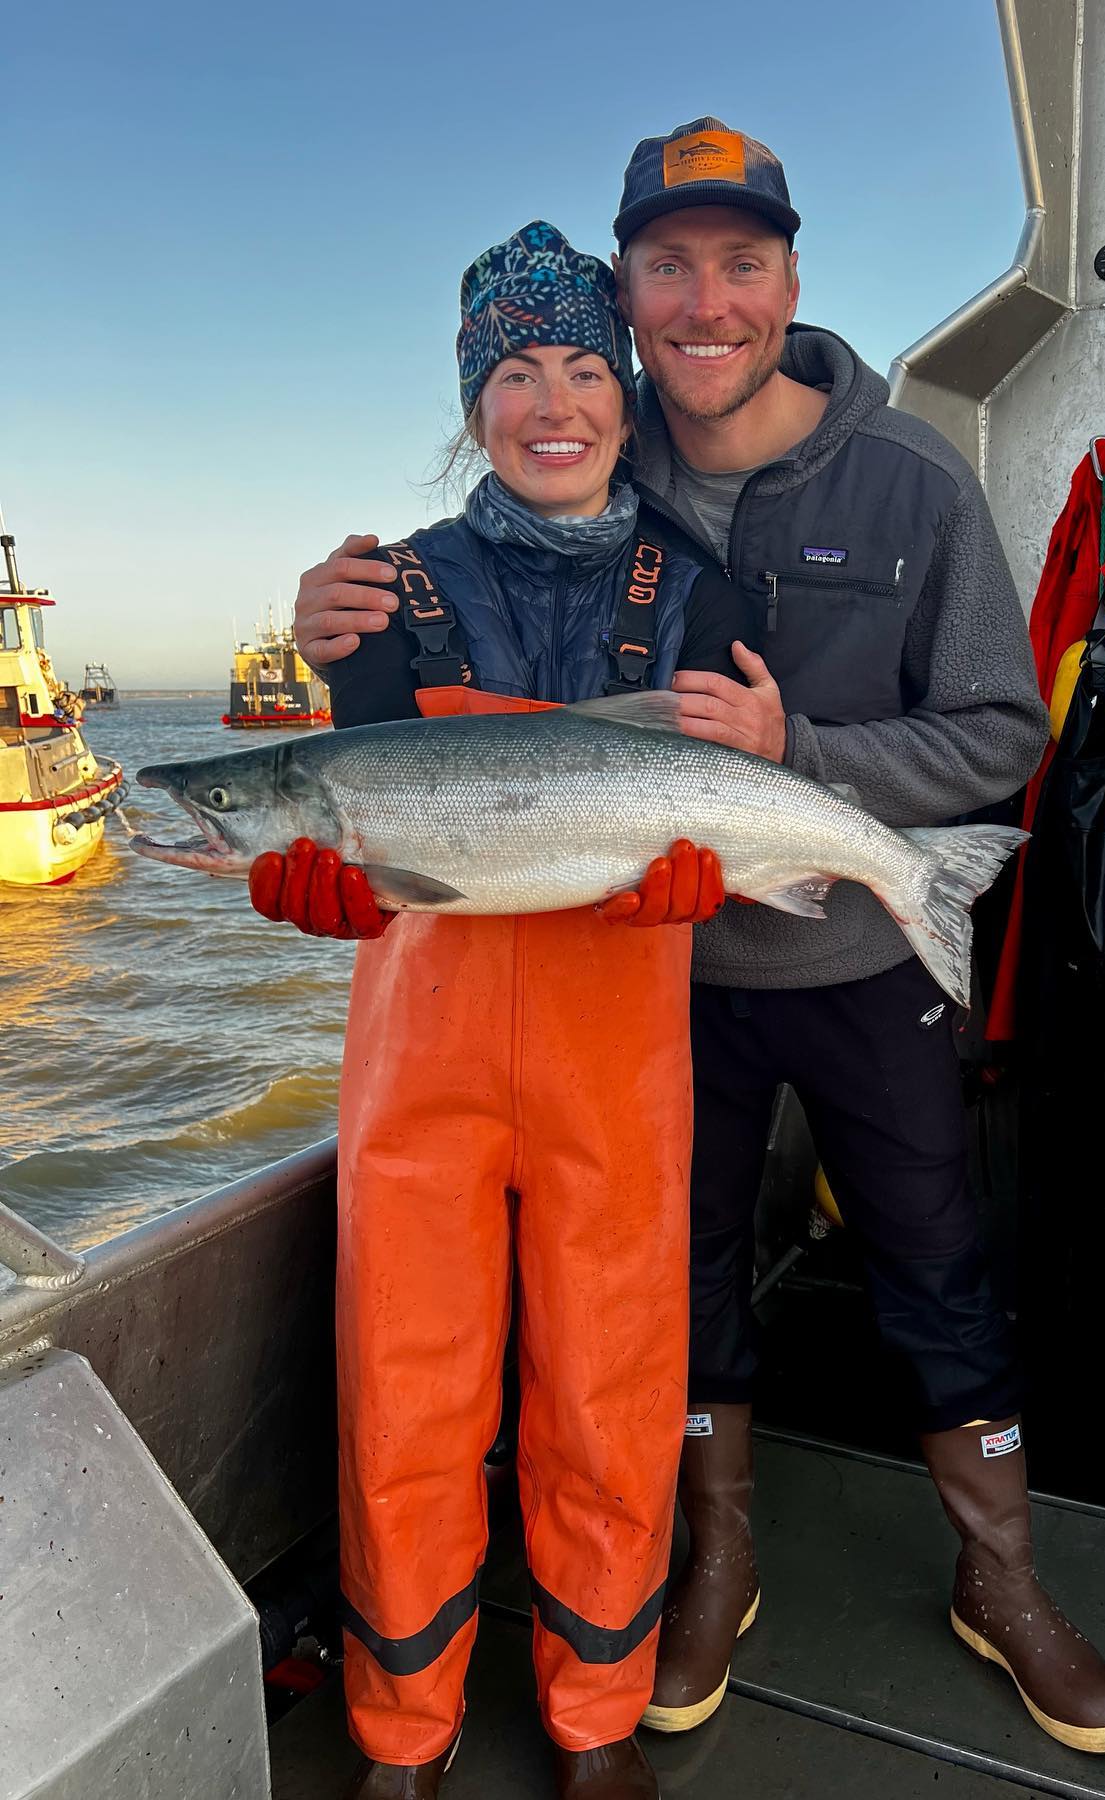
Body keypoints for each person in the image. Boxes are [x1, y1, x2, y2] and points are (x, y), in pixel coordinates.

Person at [285, 121, 1105, 1758]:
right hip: (661, 995)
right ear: (628, 304)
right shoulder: (597, 482)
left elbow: (999, 732)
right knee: (680, 1304)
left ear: (790, 281)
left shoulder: (907, 483)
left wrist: (797, 768)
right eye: (665, 271)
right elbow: (452, 721)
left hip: (838, 951)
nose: (701, 306)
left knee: (939, 1270)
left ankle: (1002, 1576)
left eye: (739, 264)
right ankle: (714, 1560)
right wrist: (336, 643)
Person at [253, 220, 755, 1800]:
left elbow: (746, 781)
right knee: (406, 1384)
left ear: (625, 391)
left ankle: (597, 1716)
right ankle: (404, 1728)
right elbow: (355, 810)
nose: (555, 401)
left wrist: (721, 854)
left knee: (613, 1386)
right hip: (428, 1055)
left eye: (583, 366)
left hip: (623, 1047)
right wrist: (312, 875)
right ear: (473, 402)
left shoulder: (702, 580)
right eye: (514, 371)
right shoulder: (380, 598)